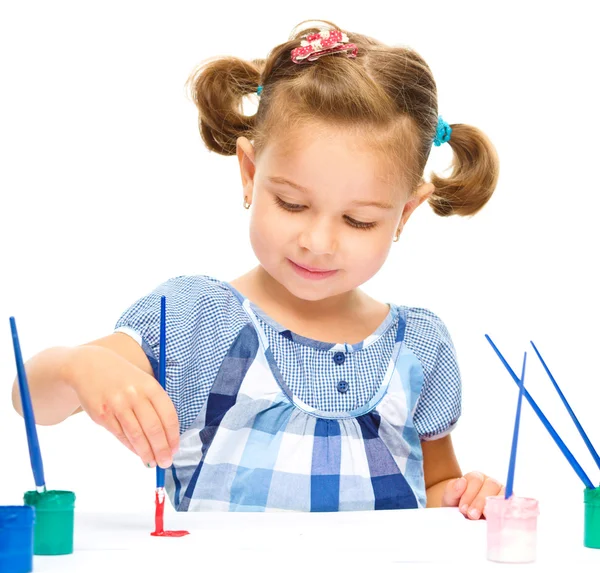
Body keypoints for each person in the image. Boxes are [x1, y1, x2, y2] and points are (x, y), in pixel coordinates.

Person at [12, 20, 503, 516]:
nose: (317, 242)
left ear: (405, 213)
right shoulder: (195, 320)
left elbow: (435, 487)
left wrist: (465, 498)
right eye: (291, 204)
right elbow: (27, 401)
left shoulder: (419, 346)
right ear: (250, 174)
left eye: (358, 220)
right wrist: (77, 367)